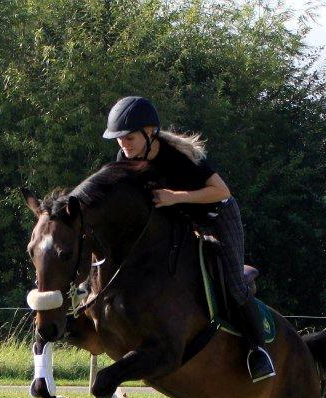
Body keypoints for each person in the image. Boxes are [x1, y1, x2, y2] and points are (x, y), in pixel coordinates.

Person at [102, 95, 275, 382]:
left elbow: (222, 192)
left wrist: (174, 197)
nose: (123, 145)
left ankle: (258, 351)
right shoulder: (126, 159)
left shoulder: (178, 157)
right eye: (119, 139)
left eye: (129, 138)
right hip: (181, 221)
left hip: (217, 217)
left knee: (233, 285)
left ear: (149, 132)